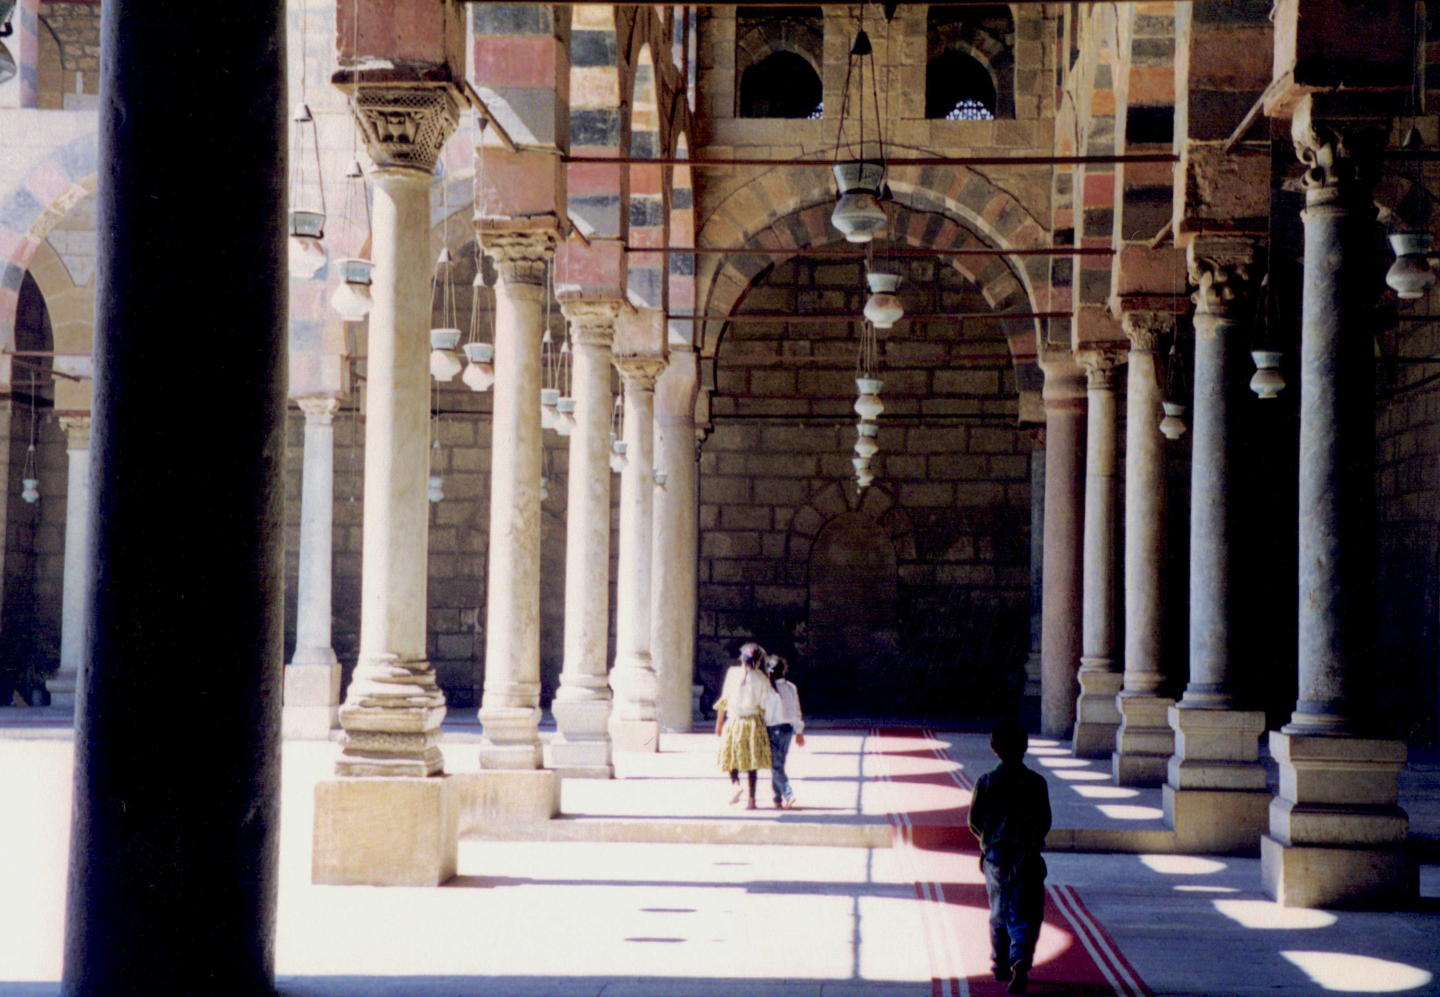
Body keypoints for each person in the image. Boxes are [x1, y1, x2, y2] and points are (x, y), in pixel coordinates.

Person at [967, 717, 1052, 995]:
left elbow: (974, 821)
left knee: (999, 908)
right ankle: (1021, 960)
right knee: (1026, 909)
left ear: (994, 748)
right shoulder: (1037, 783)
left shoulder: (987, 782)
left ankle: (1000, 962)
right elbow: (1044, 820)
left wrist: (988, 841)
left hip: (997, 855)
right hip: (1027, 853)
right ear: (1026, 747)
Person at [713, 642, 773, 809]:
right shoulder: (762, 679)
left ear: (741, 659)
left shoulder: (732, 674)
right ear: (759, 662)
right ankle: (751, 800)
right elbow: (765, 705)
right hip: (754, 723)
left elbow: (723, 701)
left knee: (732, 758)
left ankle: (736, 784)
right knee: (751, 763)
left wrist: (719, 724)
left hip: (734, 721)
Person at [762, 654, 805, 808]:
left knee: (775, 765)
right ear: (784, 670)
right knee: (779, 764)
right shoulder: (791, 687)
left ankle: (788, 794)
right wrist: (799, 731)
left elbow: (764, 713)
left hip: (771, 729)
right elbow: (796, 711)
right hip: (787, 730)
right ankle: (777, 798)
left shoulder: (767, 690)